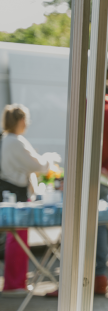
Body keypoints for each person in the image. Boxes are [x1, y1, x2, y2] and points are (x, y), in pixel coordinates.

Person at [50, 81, 108, 297]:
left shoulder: (85, 109)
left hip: (81, 175)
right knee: (100, 226)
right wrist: (106, 166)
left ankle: (71, 280)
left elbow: (74, 142)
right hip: (102, 179)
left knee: (75, 226)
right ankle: (100, 278)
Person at [0, 105, 60, 296]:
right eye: (26, 119)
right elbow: (38, 165)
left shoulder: (5, 140)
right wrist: (50, 158)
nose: (28, 123)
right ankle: (16, 284)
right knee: (18, 240)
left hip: (10, 192)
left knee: (14, 239)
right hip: (18, 194)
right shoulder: (16, 141)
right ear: (19, 121)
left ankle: (14, 282)